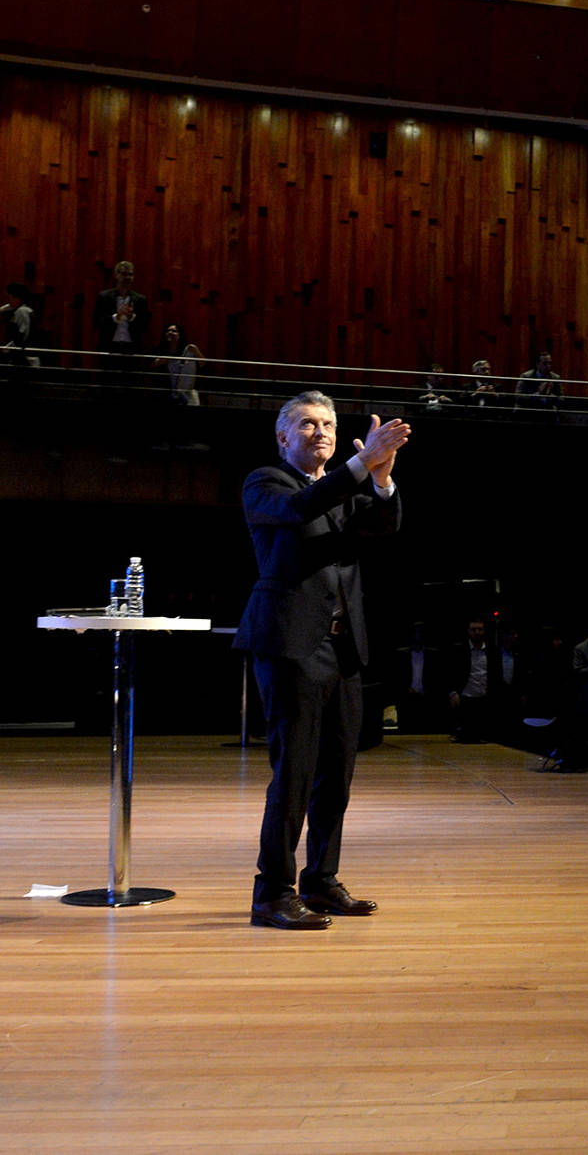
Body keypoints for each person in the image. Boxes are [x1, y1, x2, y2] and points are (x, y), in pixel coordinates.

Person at [235, 391, 408, 930]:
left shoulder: (344, 489)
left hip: (343, 648)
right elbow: (298, 511)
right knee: (295, 771)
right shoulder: (267, 483)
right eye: (307, 425)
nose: (321, 432)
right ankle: (272, 892)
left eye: (329, 423)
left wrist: (380, 477)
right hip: (291, 645)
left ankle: (322, 881)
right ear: (284, 437)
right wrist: (360, 465)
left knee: (337, 773)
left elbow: (384, 526)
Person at [155, 324, 203, 407]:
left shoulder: (189, 350)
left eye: (173, 331)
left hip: (188, 392)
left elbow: (202, 364)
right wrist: (162, 361)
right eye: (167, 331)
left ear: (180, 334)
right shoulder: (161, 350)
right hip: (168, 393)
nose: (170, 332)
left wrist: (197, 352)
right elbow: (153, 366)